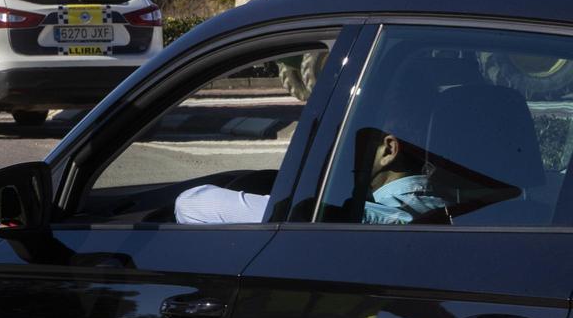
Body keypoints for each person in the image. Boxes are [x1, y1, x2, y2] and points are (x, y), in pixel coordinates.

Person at [175, 107, 454, 226]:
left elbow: (192, 204)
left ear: (388, 150)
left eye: (349, 142)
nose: (337, 154)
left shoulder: (360, 217)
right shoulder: (449, 206)